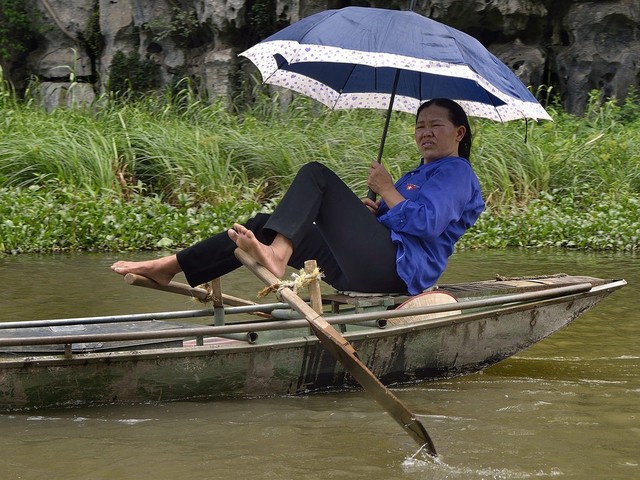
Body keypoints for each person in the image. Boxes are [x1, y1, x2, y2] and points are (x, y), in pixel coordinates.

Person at [111, 98, 485, 295]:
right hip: (368, 267)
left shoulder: (456, 172)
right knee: (262, 226)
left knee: (316, 175)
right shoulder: (416, 173)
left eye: (436, 125)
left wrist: (387, 190)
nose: (426, 132)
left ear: (459, 133)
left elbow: (427, 225)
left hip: (398, 273)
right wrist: (376, 213)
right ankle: (169, 267)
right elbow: (402, 216)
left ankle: (276, 257)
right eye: (420, 125)